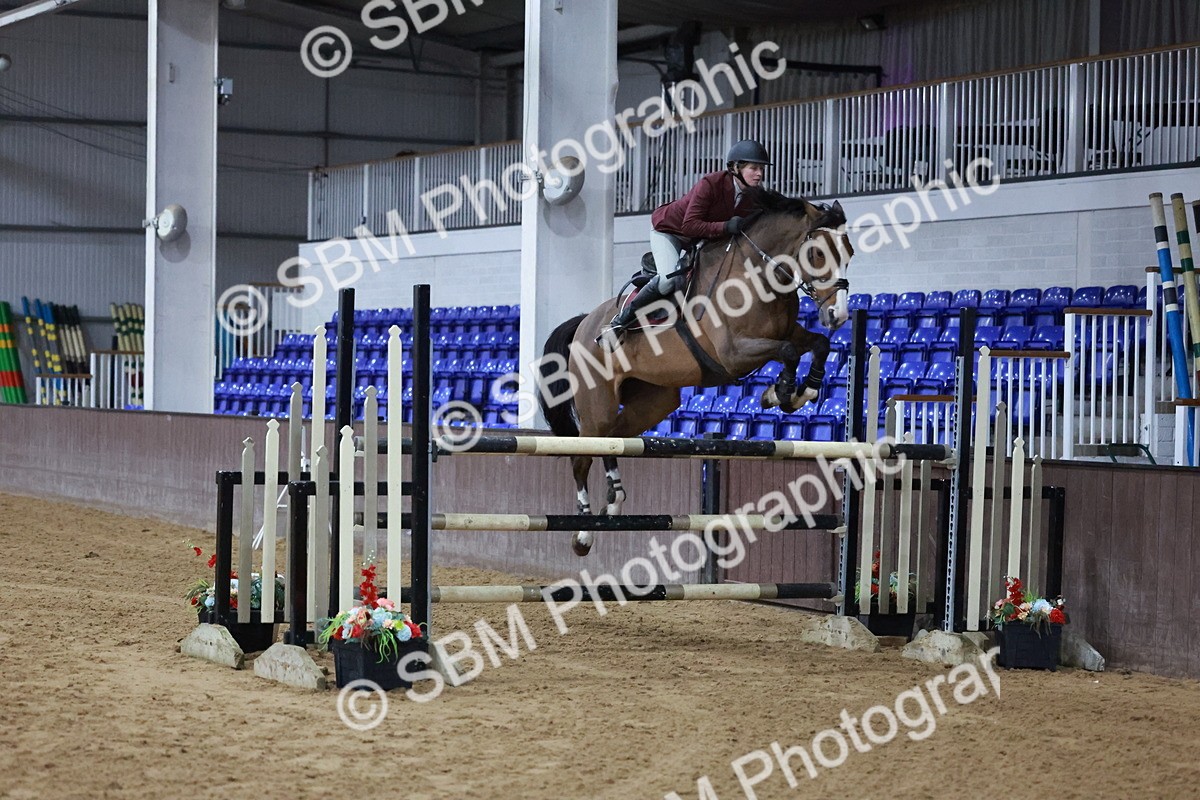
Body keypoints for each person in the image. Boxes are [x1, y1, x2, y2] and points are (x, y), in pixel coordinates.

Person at [603, 139, 771, 342]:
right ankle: (621, 320)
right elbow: (689, 226)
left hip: (700, 240)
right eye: (754, 168)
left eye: (761, 169)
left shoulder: (754, 196)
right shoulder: (710, 184)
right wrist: (725, 226)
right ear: (735, 168)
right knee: (668, 281)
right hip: (670, 231)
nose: (760, 174)